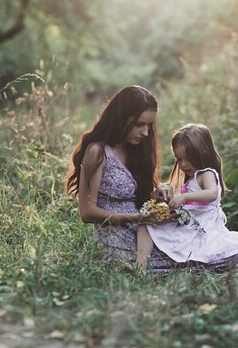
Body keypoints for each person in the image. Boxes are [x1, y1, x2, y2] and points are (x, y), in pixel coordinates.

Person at [66, 85, 177, 271]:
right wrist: (137, 218)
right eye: (139, 125)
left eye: (149, 125)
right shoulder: (97, 152)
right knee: (189, 260)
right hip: (115, 235)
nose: (145, 133)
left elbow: (135, 197)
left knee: (200, 248)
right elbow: (86, 213)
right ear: (122, 118)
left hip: (141, 230)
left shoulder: (135, 150)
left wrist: (156, 194)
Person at [137, 123, 238, 269]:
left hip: (202, 226)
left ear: (202, 153)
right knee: (145, 227)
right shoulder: (193, 176)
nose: (183, 164)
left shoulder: (207, 173)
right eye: (179, 159)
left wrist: (185, 197)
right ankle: (140, 266)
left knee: (154, 231)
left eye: (188, 158)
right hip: (191, 223)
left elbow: (212, 193)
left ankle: (152, 266)